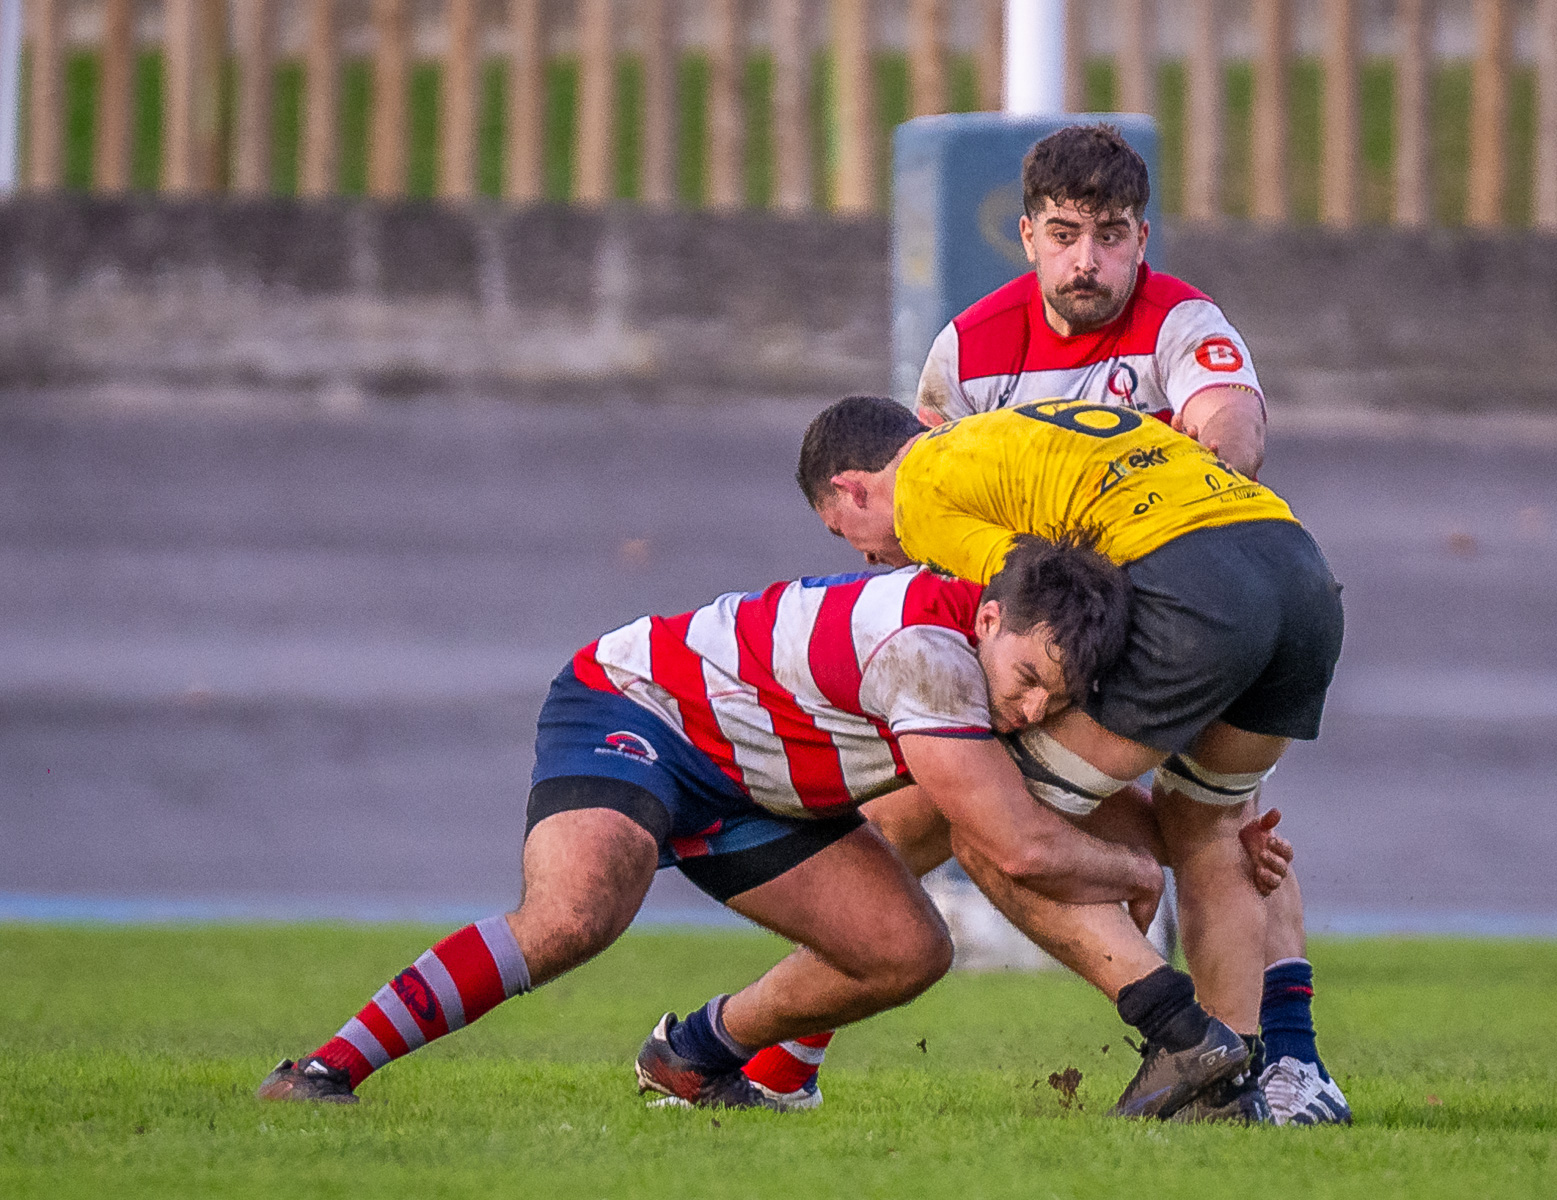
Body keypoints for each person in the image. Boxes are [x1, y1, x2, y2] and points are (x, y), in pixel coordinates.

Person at [257, 536, 1246, 1120]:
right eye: (1028, 681)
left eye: (1053, 698)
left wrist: (1205, 841)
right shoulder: (930, 658)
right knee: (579, 912)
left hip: (752, 790)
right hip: (637, 705)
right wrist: (1133, 868)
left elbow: (1065, 797)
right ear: (987, 620)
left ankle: (693, 1055)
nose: (1028, 710)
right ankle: (323, 1073)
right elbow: (1023, 844)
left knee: (905, 951)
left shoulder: (988, 665)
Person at [904, 122, 1347, 1127]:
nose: (1087, 260)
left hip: (1181, 610)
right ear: (1026, 235)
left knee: (988, 821)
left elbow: (1234, 436)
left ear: (1141, 237)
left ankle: (778, 1037)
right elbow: (939, 515)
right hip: (1098, 631)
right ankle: (1276, 1075)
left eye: (1109, 235)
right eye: (1065, 234)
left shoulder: (1182, 322)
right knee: (1218, 828)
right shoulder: (967, 350)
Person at [800, 395, 1345, 1123]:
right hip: (1301, 574)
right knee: (1211, 830)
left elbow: (1031, 606)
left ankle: (1181, 1036)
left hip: (1194, 582)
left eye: (847, 531)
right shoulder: (1004, 435)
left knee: (996, 830)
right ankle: (1228, 1090)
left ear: (852, 486)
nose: (868, 553)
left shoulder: (920, 490)